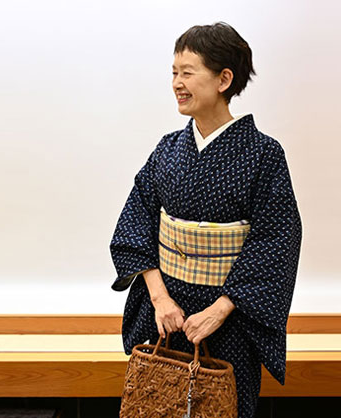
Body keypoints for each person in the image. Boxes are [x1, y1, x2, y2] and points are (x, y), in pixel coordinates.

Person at [109, 22, 302, 418]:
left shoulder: (263, 155)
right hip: (167, 318)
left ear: (223, 79)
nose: (177, 83)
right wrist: (160, 300)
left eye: (187, 72)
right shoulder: (168, 149)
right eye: (173, 73)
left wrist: (220, 310)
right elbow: (135, 222)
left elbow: (276, 240)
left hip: (228, 322)